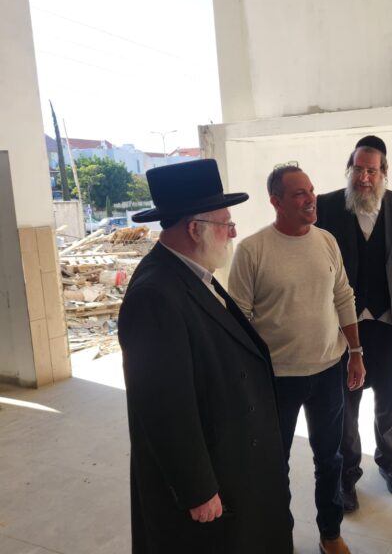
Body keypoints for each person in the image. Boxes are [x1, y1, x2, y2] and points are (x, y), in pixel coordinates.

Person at [118, 159, 293, 554]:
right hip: (212, 479)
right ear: (194, 229)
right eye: (225, 224)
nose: (233, 232)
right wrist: (197, 489)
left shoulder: (193, 272)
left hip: (233, 457)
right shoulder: (154, 295)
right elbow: (164, 407)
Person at [228, 163, 365, 554]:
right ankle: (277, 538)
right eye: (299, 194)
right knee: (275, 464)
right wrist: (245, 378)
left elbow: (343, 297)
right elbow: (238, 320)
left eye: (311, 190)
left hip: (328, 371)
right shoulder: (252, 250)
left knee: (330, 458)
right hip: (277, 379)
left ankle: (330, 533)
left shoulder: (326, 241)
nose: (310, 199)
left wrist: (355, 353)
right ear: (276, 202)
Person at [316, 135, 392, 512]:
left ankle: (390, 462)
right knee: (346, 404)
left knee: (391, 399)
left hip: (391, 322)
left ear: (384, 172)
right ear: (349, 169)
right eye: (358, 169)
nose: (364, 177)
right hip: (343, 324)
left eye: (372, 170)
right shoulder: (327, 206)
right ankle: (347, 475)